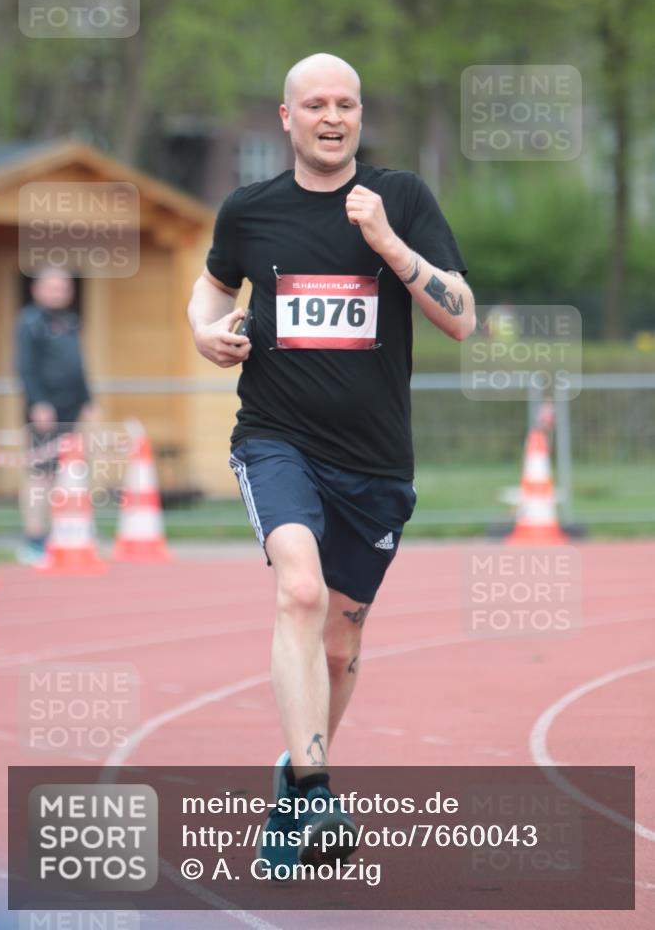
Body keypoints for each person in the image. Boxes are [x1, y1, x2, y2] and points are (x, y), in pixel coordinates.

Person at [188, 52, 475, 874]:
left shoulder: (402, 200)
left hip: (376, 463)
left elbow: (460, 318)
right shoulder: (249, 211)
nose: (330, 115)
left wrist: (387, 243)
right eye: (314, 102)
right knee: (300, 591)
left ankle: (291, 786)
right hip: (276, 438)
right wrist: (202, 330)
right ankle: (314, 788)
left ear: (358, 117)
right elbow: (210, 291)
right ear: (286, 118)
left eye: (345, 103)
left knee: (341, 646)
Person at [15, 267, 98, 565]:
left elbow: (79, 365)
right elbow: (24, 366)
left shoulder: (70, 321)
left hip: (73, 408)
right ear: (37, 290)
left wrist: (88, 401)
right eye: (52, 288)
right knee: (41, 473)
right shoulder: (30, 322)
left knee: (71, 472)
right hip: (44, 410)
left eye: (63, 288)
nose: (58, 293)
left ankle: (65, 533)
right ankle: (34, 540)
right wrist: (38, 402)